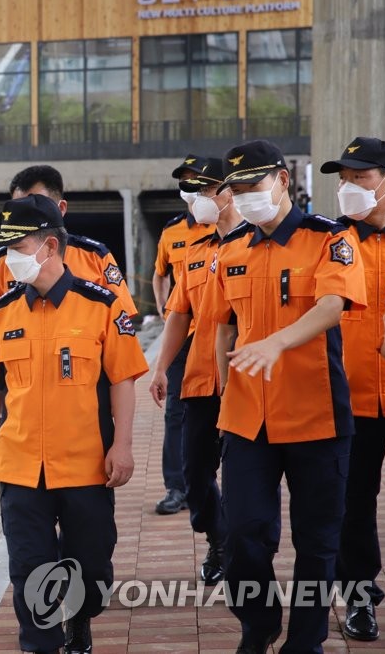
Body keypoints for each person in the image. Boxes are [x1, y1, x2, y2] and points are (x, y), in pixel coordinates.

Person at [203, 139, 366, 653]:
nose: (248, 197)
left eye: (255, 185)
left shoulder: (329, 239)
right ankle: (259, 622)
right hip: (248, 417)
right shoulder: (229, 251)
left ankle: (306, 641)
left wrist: (275, 342)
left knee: (317, 542)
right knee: (244, 535)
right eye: (239, 190)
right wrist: (224, 387)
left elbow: (333, 304)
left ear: (282, 180)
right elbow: (222, 327)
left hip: (316, 414)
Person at [0, 195, 147, 654]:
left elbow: (123, 380)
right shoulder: (4, 311)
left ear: (49, 247)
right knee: (29, 566)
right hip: (20, 463)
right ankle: (40, 644)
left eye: (18, 246)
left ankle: (81, 618)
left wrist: (122, 445)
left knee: (89, 565)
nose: (9, 258)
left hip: (85, 462)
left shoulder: (101, 306)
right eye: (5, 247)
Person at [148, 158, 239, 584]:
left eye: (207, 190)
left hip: (248, 385)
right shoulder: (196, 254)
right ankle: (217, 536)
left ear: (230, 192)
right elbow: (178, 315)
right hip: (200, 378)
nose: (199, 198)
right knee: (195, 474)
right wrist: (161, 368)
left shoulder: (257, 247)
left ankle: (241, 553)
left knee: (245, 479)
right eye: (196, 192)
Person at [323, 137, 385, 642]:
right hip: (349, 397)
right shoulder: (330, 243)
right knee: (352, 504)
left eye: (360, 177)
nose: (348, 188)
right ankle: (360, 598)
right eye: (343, 179)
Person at [0, 165, 136, 325]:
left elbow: (121, 322)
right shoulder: (3, 260)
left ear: (61, 208)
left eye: (37, 206)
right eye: (18, 209)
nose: (24, 217)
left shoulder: (95, 256)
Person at [151, 154, 216, 515]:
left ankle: (213, 481)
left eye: (199, 183)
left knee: (222, 409)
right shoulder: (172, 233)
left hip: (223, 335)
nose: (192, 190)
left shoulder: (233, 230)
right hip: (184, 334)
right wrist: (164, 309)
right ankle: (176, 486)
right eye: (186, 183)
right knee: (176, 411)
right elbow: (159, 273)